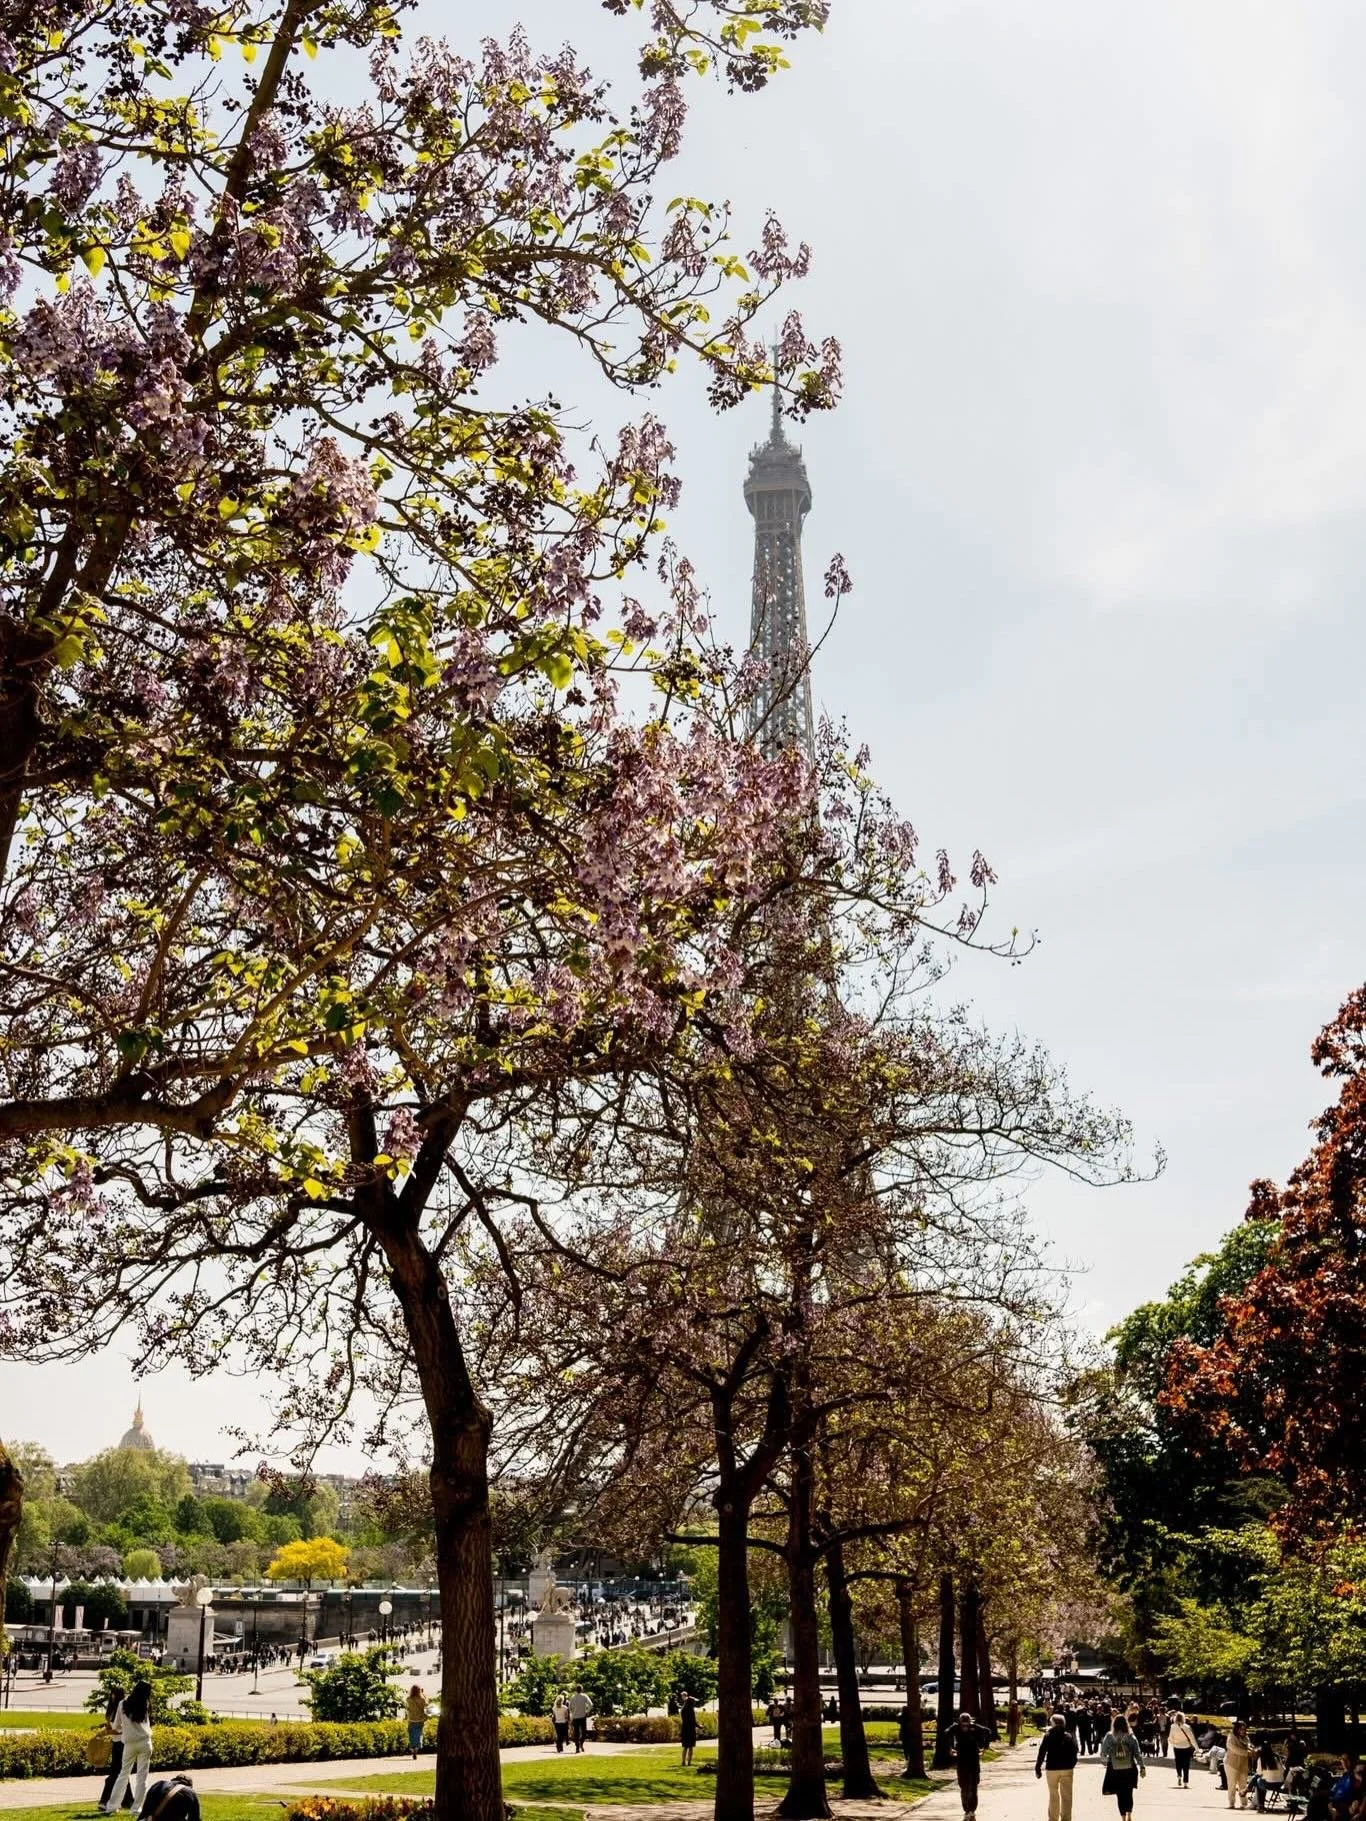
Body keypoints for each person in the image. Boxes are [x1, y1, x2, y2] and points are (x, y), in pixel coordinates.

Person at [101, 1679, 153, 1816]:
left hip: (129, 1743)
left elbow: (116, 1727)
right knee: (142, 1777)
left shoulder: (122, 1704)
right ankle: (136, 1809)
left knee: (123, 1775)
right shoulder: (145, 1703)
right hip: (145, 1742)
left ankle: (112, 1806)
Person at [943, 1710, 992, 1821]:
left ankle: (972, 1810)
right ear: (960, 1722)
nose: (965, 1726)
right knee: (963, 1785)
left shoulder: (974, 1727)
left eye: (967, 1724)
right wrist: (950, 1747)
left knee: (974, 1786)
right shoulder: (955, 1727)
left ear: (969, 1722)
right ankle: (966, 1810)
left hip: (973, 1759)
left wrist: (985, 1747)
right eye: (963, 1724)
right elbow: (946, 1733)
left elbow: (988, 1731)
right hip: (962, 1759)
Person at [1100, 1713, 1146, 1821]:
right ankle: (1130, 1814)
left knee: (1119, 1794)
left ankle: (1123, 1817)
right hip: (1129, 1768)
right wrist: (1142, 1767)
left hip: (1115, 1769)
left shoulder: (1109, 1736)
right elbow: (1137, 1754)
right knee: (1128, 1793)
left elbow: (1103, 1754)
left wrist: (1108, 1761)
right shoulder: (1130, 1736)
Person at [1036, 1712, 1080, 1821]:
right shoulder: (1068, 1736)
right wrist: (1072, 1764)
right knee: (1067, 1797)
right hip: (1067, 1768)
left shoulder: (1048, 1736)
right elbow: (1075, 1751)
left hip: (1052, 1769)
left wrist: (1038, 1767)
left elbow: (1042, 1752)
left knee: (1053, 1795)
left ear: (1053, 1723)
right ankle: (1066, 1818)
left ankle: (1053, 1818)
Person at [98, 1688, 134, 1812]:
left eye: (113, 1694)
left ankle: (105, 1800)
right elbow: (110, 1726)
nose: (112, 1696)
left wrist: (105, 1733)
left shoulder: (123, 1708)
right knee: (122, 1773)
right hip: (116, 1743)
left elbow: (120, 1730)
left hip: (122, 1743)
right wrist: (104, 1729)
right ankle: (128, 1801)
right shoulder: (111, 1710)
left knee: (115, 1773)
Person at [1251, 1740, 1285, 1813]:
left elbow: (1259, 1772)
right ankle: (1248, 1790)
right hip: (1280, 1783)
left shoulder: (1262, 1759)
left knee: (1258, 1780)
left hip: (1270, 1784)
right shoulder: (1277, 1757)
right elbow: (1282, 1770)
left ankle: (1261, 1806)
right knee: (1259, 1778)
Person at [1226, 1723, 1253, 1811]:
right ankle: (1231, 1803)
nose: (1243, 1731)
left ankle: (1244, 1803)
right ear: (1237, 1729)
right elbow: (1233, 1749)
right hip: (1232, 1763)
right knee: (1232, 1784)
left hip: (1243, 1764)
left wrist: (1251, 1749)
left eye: (1244, 1729)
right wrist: (1247, 1753)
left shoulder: (1246, 1738)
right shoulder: (1231, 1737)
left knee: (1243, 1784)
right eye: (1241, 1729)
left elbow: (1249, 1745)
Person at [1169, 1712, 1199, 1788]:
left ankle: (1179, 1776)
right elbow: (1192, 1738)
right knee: (1186, 1765)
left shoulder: (1172, 1726)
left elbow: (1170, 1738)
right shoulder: (1187, 1727)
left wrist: (1174, 1743)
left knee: (1178, 1762)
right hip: (1186, 1747)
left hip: (1177, 1747)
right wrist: (1197, 1749)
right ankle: (1185, 1782)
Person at [567, 1685, 594, 1753]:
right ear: (581, 1689)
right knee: (584, 1732)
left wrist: (573, 1712)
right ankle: (581, 1744)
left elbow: (569, 1707)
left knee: (576, 1733)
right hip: (582, 1716)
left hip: (575, 1717)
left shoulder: (573, 1697)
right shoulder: (584, 1696)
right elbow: (591, 1704)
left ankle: (577, 1747)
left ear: (576, 1690)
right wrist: (587, 1711)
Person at [405, 1685, 428, 1758]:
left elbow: (407, 1708)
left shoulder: (408, 1699)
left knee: (411, 1735)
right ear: (419, 1691)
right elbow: (426, 1704)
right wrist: (423, 1694)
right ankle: (417, 1748)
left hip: (411, 1719)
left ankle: (413, 1748)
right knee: (419, 1734)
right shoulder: (422, 1699)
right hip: (420, 1719)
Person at [899, 1704, 920, 1776]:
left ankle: (907, 1760)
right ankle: (909, 1760)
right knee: (909, 1748)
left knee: (905, 1748)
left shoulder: (901, 1717)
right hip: (909, 1734)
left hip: (904, 1734)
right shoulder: (909, 1717)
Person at [679, 1691, 698, 1767]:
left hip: (684, 1728)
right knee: (690, 1747)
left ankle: (683, 1762)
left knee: (685, 1746)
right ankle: (689, 1762)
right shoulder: (691, 1710)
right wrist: (700, 1726)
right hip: (690, 1729)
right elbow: (693, 1721)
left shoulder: (683, 1709)